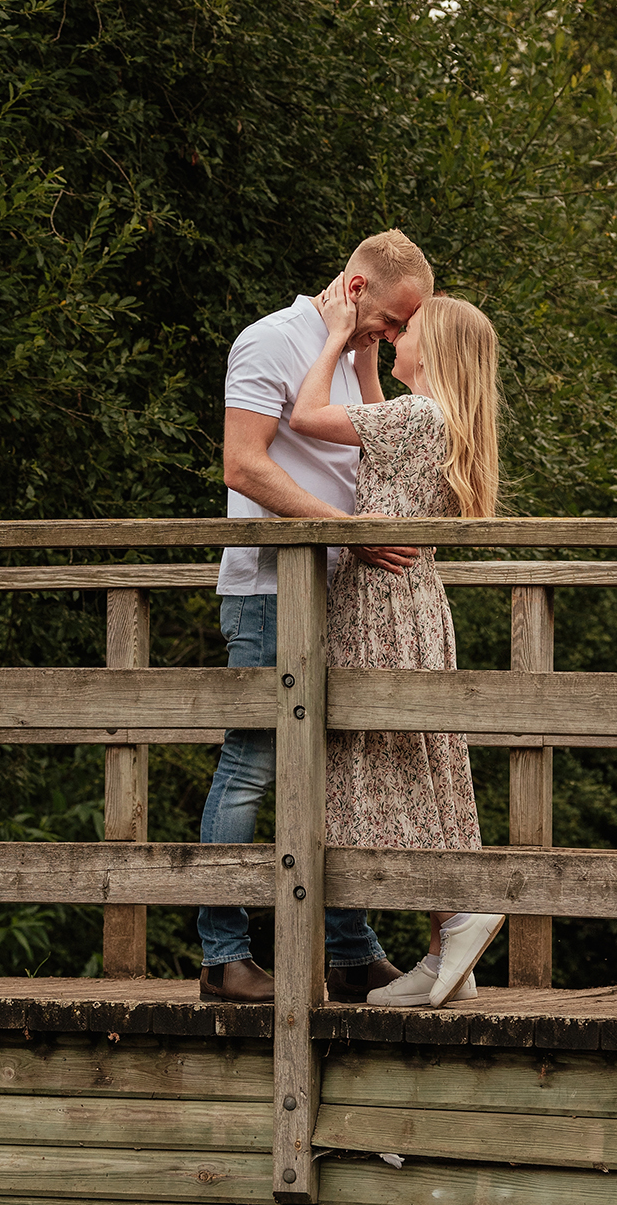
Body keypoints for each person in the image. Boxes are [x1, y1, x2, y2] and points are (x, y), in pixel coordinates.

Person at [198, 230, 434, 1004]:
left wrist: (367, 361)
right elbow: (244, 463)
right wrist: (347, 535)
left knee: (339, 772)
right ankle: (225, 957)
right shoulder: (270, 341)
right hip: (271, 592)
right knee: (253, 765)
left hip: (343, 592)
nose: (400, 337)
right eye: (394, 321)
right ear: (359, 289)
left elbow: (382, 451)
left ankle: (348, 952)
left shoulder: (353, 351)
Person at [290, 278, 504, 1008]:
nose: (395, 335)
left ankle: (458, 915)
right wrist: (366, 360)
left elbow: (308, 415)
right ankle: (453, 950)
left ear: (433, 347)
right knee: (426, 764)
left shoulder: (417, 417)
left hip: (381, 604)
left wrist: (333, 338)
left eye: (407, 330)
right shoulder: (432, 420)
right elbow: (375, 422)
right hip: (416, 602)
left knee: (398, 768)